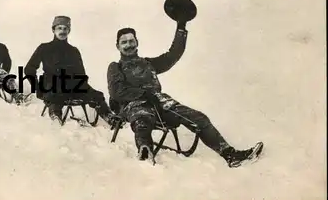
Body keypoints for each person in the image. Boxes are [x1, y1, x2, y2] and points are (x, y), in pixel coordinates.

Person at [106, 22, 263, 168]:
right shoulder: (116, 67)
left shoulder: (148, 64)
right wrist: (144, 94)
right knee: (142, 120)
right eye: (124, 42)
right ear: (117, 46)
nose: (128, 45)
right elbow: (117, 91)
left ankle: (230, 155)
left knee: (198, 118)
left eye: (131, 41)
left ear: (137, 42)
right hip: (134, 105)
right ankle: (146, 152)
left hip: (160, 102)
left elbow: (173, 55)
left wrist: (181, 27)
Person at [24, 15, 117, 125]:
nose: (62, 31)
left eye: (65, 28)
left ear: (69, 30)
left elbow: (81, 74)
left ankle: (109, 117)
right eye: (59, 28)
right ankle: (55, 117)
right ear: (53, 30)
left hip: (72, 85)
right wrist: (38, 88)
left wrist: (83, 87)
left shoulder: (74, 51)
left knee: (97, 95)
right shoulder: (44, 48)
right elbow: (29, 69)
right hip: (51, 84)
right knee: (55, 93)